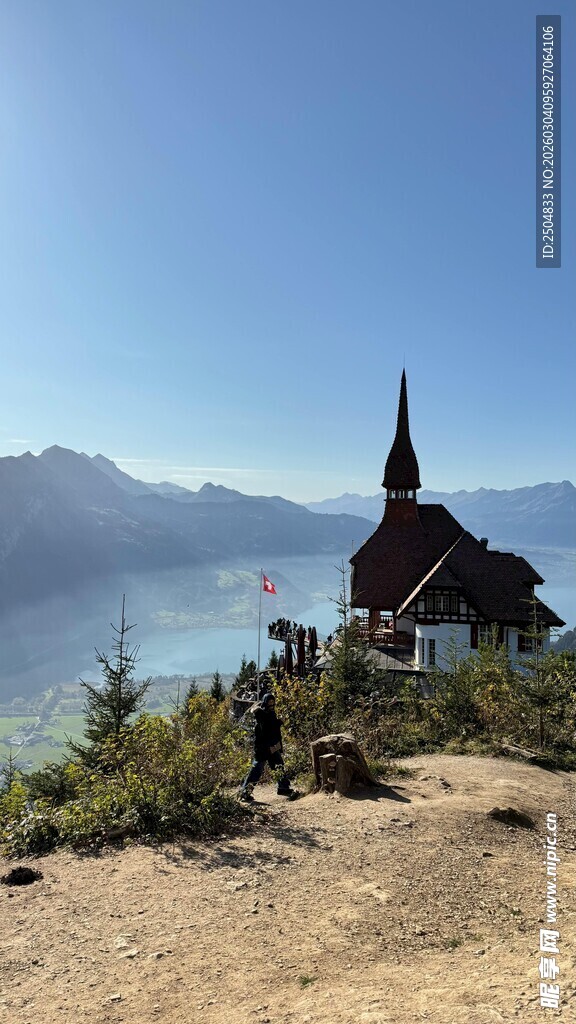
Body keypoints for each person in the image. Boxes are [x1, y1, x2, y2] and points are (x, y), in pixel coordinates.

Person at [239, 692, 297, 801]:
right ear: (266, 702)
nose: (271, 705)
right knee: (256, 770)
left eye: (273, 702)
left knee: (279, 765)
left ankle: (283, 787)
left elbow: (272, 726)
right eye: (269, 702)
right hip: (263, 748)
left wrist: (278, 722)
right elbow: (268, 728)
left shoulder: (270, 713)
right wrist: (279, 722)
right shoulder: (261, 714)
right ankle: (245, 792)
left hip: (272, 746)